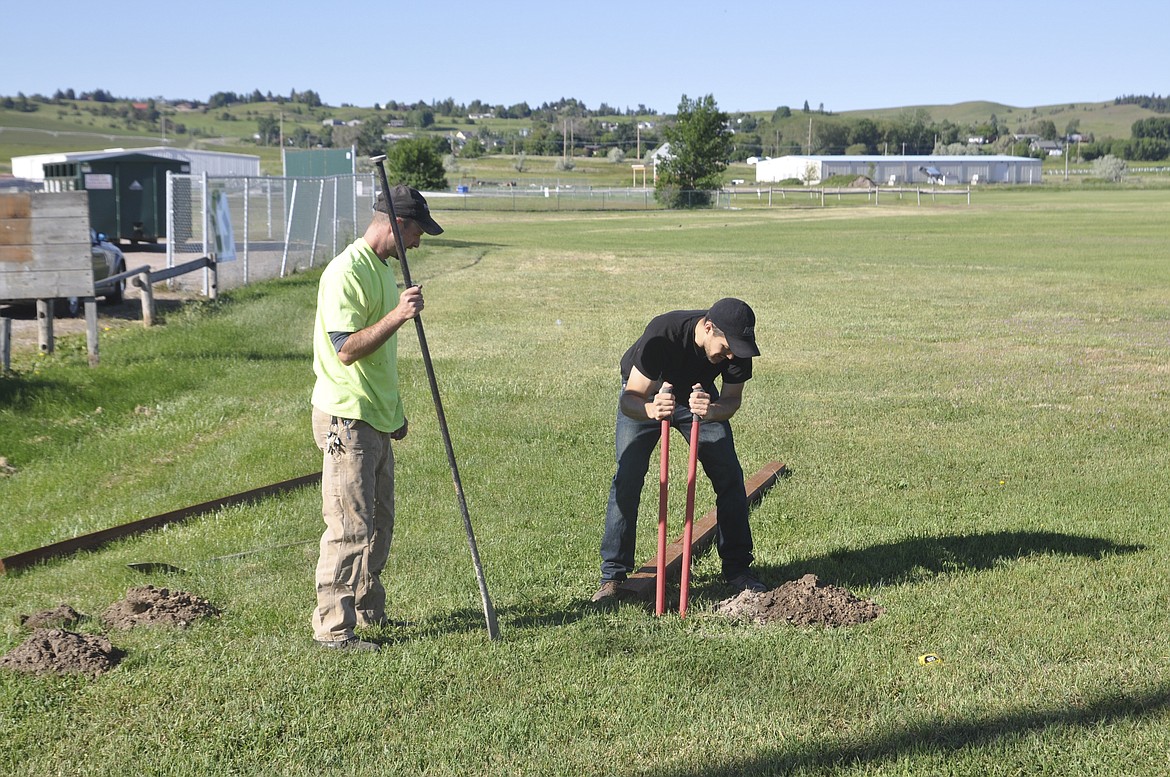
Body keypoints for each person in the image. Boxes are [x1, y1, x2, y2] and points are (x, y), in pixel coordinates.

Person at [309, 184, 443, 651]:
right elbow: (347, 349)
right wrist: (399, 316)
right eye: (416, 233)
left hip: (375, 415)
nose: (418, 243)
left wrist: (395, 413)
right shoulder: (346, 271)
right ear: (394, 225)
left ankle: (368, 611)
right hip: (347, 417)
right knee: (350, 526)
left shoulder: (383, 270)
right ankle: (333, 629)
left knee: (380, 521)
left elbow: (380, 359)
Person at [593, 298, 767, 603]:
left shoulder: (737, 348)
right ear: (709, 328)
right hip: (650, 393)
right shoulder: (666, 332)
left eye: (735, 351)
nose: (730, 355)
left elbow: (731, 401)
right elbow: (630, 398)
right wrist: (650, 409)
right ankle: (613, 576)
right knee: (628, 476)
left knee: (729, 475)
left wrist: (712, 411)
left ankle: (738, 570)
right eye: (725, 348)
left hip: (697, 397)